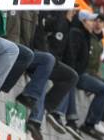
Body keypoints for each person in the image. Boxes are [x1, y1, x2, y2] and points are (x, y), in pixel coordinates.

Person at [0, 0, 56, 140]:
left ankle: (29, 98)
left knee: (47, 59)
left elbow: (32, 35)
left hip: (23, 50)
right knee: (25, 54)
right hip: (1, 44)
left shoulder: (26, 4)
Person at [53, 10, 104, 140]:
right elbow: (71, 57)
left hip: (81, 73)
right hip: (77, 73)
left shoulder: (86, 35)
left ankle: (86, 122)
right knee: (72, 78)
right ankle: (62, 115)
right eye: (91, 20)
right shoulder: (76, 34)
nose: (93, 23)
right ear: (83, 21)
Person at [33, 9, 82, 140]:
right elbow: (50, 42)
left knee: (72, 75)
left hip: (51, 59)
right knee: (47, 71)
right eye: (73, 7)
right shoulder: (57, 18)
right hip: (41, 56)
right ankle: (38, 120)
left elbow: (69, 54)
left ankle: (48, 108)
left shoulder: (69, 25)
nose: (75, 10)